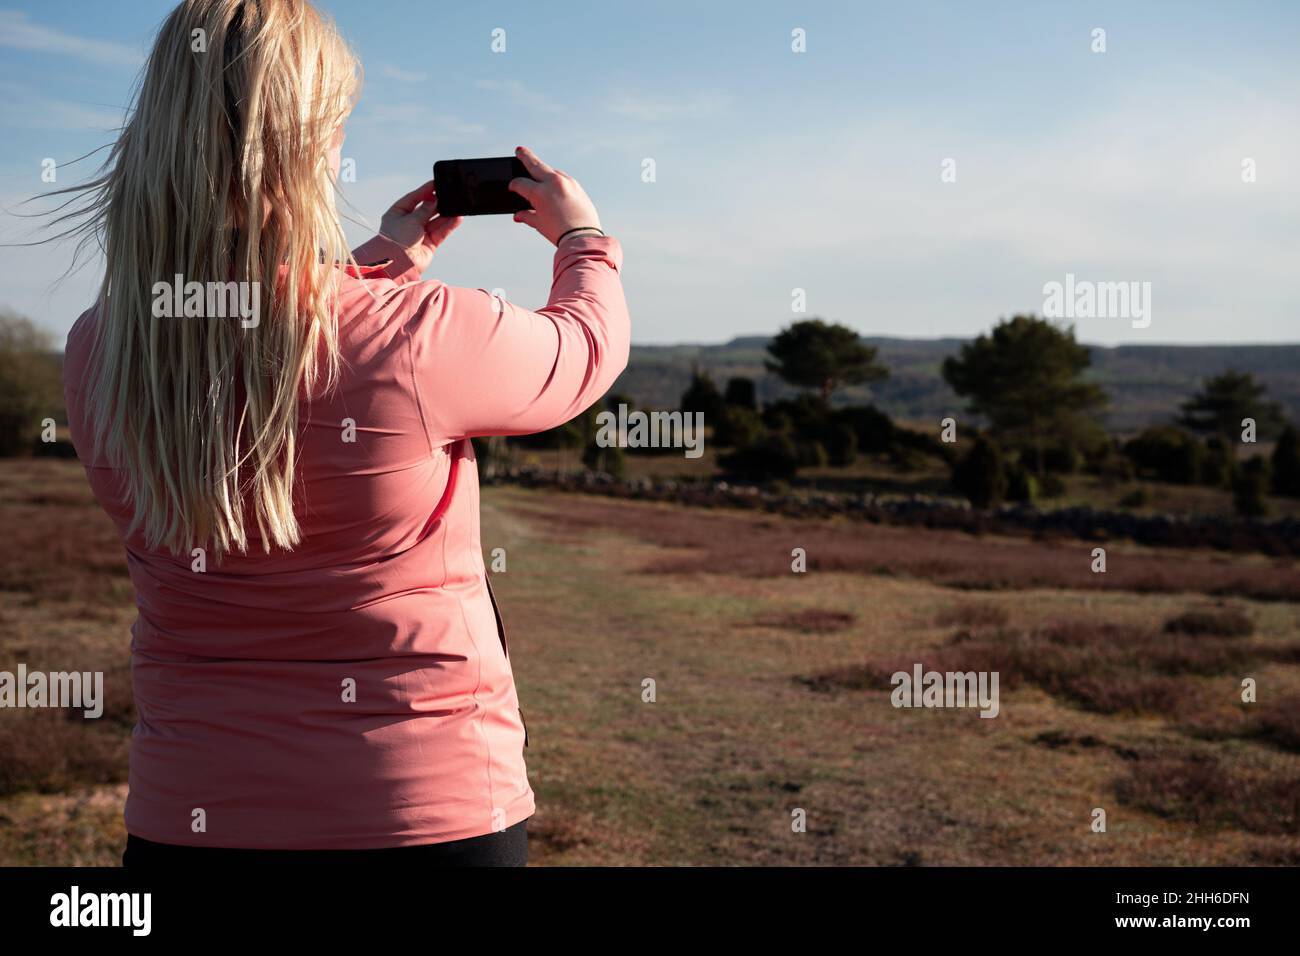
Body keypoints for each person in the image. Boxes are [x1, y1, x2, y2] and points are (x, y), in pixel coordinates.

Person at [57, 0, 630, 866]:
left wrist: (374, 267)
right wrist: (582, 238)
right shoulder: (416, 335)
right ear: (303, 144)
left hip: (192, 816)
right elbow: (581, 354)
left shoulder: (102, 345)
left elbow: (254, 337)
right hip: (421, 814)